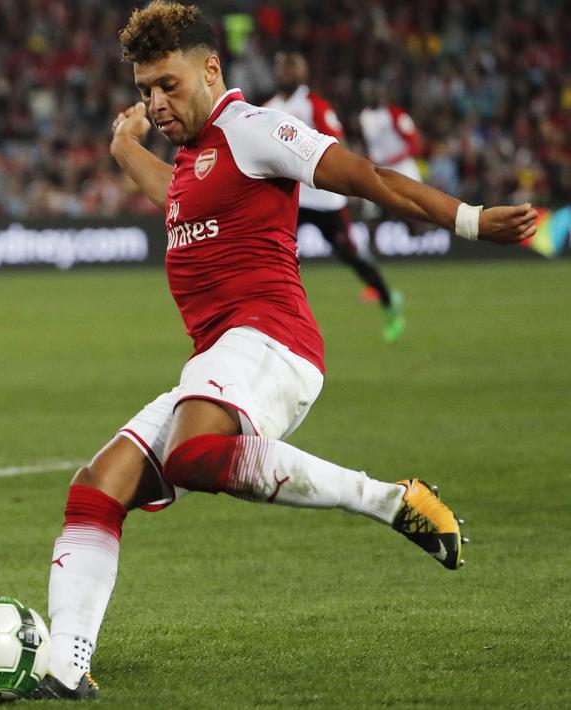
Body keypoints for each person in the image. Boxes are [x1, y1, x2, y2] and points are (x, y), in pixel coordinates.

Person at [34, 2, 536, 700]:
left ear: (211, 68)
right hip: (220, 358)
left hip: (270, 340)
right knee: (96, 487)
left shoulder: (253, 129)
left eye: (168, 85)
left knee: (188, 453)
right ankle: (64, 671)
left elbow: (364, 177)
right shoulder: (194, 159)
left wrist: (469, 219)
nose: (155, 102)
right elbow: (174, 200)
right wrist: (125, 149)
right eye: (145, 89)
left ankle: (390, 501)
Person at [265, 52, 405, 342]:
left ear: (302, 72)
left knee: (349, 254)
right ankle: (271, 321)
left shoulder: (314, 106)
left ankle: (389, 300)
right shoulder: (270, 108)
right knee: (271, 253)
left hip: (325, 198)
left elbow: (335, 143)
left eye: (292, 66)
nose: (286, 72)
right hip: (292, 198)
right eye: (282, 67)